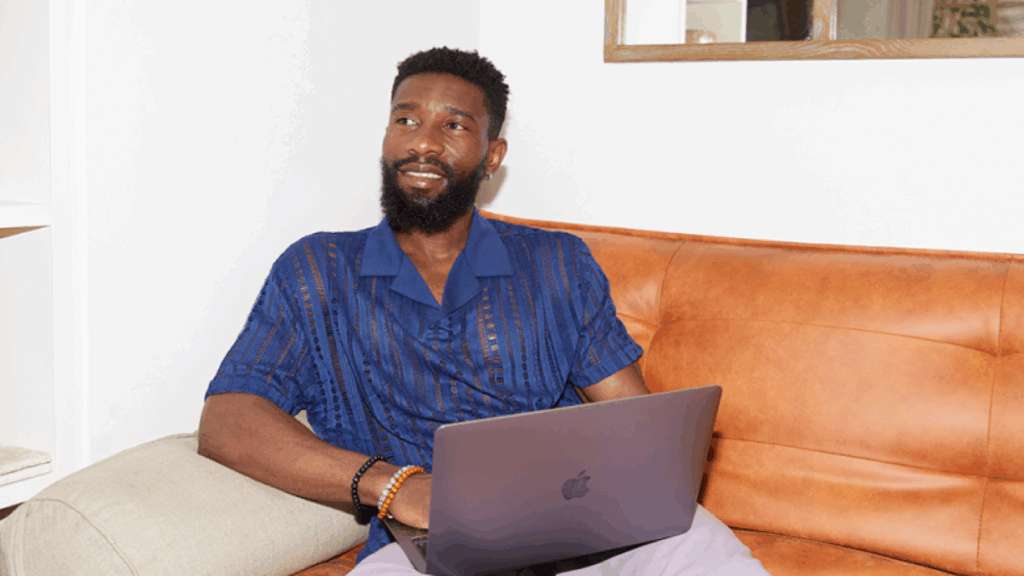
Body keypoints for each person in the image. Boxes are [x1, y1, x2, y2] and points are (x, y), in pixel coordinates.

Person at [198, 47, 768, 575]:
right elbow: (228, 419)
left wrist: (646, 479)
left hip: (583, 533)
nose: (423, 142)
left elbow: (639, 430)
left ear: (492, 155)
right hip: (428, 544)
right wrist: (393, 486)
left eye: (453, 125)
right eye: (406, 120)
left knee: (697, 542)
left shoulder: (557, 262)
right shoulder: (317, 269)